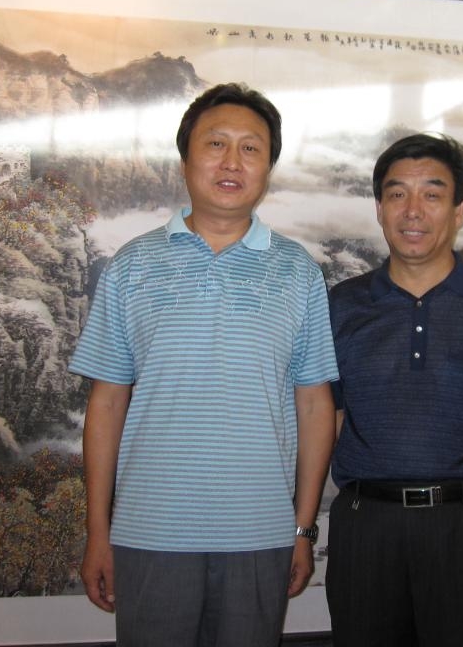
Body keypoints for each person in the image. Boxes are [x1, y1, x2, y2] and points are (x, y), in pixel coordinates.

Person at [68, 82, 338, 647]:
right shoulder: (132, 265)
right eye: (216, 143)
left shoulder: (299, 272)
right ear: (186, 160)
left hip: (261, 533)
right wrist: (98, 530)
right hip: (148, 531)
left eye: (251, 148)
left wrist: (303, 528)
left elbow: (315, 405)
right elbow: (107, 402)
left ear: (268, 168)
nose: (232, 162)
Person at [325, 133, 463, 647]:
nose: (413, 211)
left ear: (459, 209)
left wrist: (453, 484)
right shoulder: (341, 306)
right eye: (397, 194)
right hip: (366, 527)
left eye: (432, 194)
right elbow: (327, 419)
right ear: (380, 208)